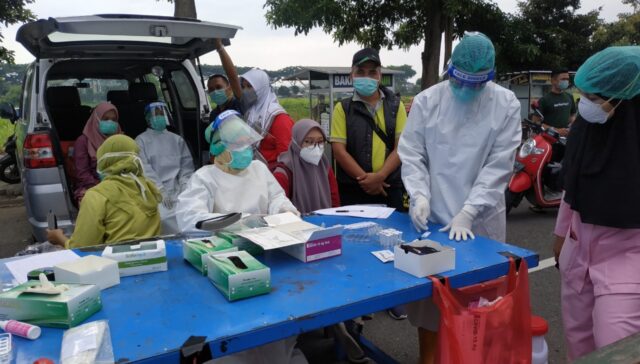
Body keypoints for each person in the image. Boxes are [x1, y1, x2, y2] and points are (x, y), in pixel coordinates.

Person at [397, 31, 522, 364]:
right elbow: (412, 154)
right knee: (430, 310)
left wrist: (468, 211)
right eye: (461, 82)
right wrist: (419, 195)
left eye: (476, 85)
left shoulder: (505, 104)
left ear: (489, 79)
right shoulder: (428, 101)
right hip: (434, 220)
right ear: (450, 71)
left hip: (480, 223)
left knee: (480, 311)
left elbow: (498, 166)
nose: (467, 91)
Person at [176, 110, 303, 364]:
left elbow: (277, 198)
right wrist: (238, 221)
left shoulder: (258, 169)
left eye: (247, 143)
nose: (246, 150)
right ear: (219, 148)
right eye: (238, 145)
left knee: (275, 320)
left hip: (270, 254)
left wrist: (286, 212)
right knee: (236, 324)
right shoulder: (205, 177)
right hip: (227, 261)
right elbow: (189, 218)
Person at [552, 46, 640, 361]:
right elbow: (570, 188)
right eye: (585, 96)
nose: (586, 105)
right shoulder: (587, 129)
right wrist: (560, 237)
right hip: (578, 257)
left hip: (628, 262)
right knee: (578, 346)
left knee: (614, 349)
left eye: (595, 98)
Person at [47, 135, 162, 248]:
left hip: (117, 264)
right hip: (153, 260)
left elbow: (83, 247)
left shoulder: (96, 195)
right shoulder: (147, 188)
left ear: (104, 160)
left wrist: (59, 238)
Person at [330, 47, 408, 210]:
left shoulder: (396, 106)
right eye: (361, 72)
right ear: (352, 75)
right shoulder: (342, 109)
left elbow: (401, 147)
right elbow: (339, 152)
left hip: (388, 188)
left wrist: (380, 177)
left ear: (380, 76)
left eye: (372, 72)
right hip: (353, 190)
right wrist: (367, 181)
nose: (367, 77)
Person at [135, 102, 194, 234]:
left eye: (162, 113)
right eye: (156, 114)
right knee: (161, 219)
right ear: (148, 117)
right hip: (154, 191)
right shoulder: (141, 140)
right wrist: (160, 189)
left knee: (186, 216)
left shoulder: (176, 139)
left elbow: (186, 167)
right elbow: (144, 168)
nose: (160, 117)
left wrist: (185, 186)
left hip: (178, 188)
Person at [273, 119, 340, 213]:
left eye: (320, 142)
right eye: (308, 141)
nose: (316, 147)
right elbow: (279, 208)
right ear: (296, 142)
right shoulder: (283, 173)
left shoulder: (324, 165)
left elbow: (335, 201)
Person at [240, 68, 294, 165]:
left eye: (249, 86)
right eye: (243, 87)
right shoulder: (250, 113)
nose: (245, 91)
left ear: (261, 88)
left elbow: (286, 155)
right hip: (252, 171)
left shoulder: (279, 117)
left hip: (272, 174)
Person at [73, 102, 122, 203]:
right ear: (96, 119)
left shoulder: (121, 139)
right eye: (106, 119)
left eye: (114, 120)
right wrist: (103, 186)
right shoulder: (83, 142)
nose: (110, 122)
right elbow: (82, 174)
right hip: (91, 186)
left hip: (120, 184)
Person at [208, 39, 244, 122]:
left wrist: (219, 47)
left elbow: (233, 77)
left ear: (230, 88)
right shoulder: (213, 115)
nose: (215, 91)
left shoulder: (239, 104)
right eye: (211, 89)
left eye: (218, 87)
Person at [533, 68, 576, 136]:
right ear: (553, 81)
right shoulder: (544, 100)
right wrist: (556, 130)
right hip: (549, 138)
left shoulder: (569, 97)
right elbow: (536, 122)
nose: (566, 81)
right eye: (563, 79)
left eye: (567, 79)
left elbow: (572, 116)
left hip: (566, 139)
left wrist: (572, 126)